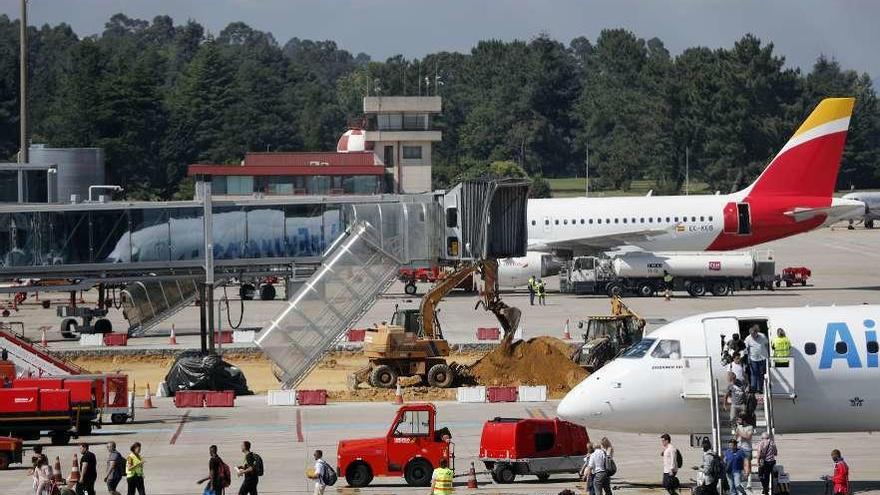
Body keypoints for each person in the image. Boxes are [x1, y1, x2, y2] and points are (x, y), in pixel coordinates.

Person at [744, 325, 770, 394]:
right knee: (754, 374)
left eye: (754, 334)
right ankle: (753, 388)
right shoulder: (748, 339)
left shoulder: (762, 336)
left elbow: (767, 345)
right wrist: (747, 359)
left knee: (761, 374)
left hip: (762, 358)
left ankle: (760, 388)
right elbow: (746, 349)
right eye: (751, 335)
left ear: (757, 333)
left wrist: (768, 356)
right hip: (753, 359)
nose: (753, 336)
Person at [734, 415, 755, 490]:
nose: (738, 422)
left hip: (747, 449)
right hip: (740, 449)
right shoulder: (738, 427)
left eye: (739, 420)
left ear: (744, 420)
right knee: (740, 466)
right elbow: (736, 437)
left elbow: (748, 437)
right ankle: (741, 483)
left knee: (748, 466)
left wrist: (739, 432)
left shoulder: (750, 427)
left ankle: (749, 483)